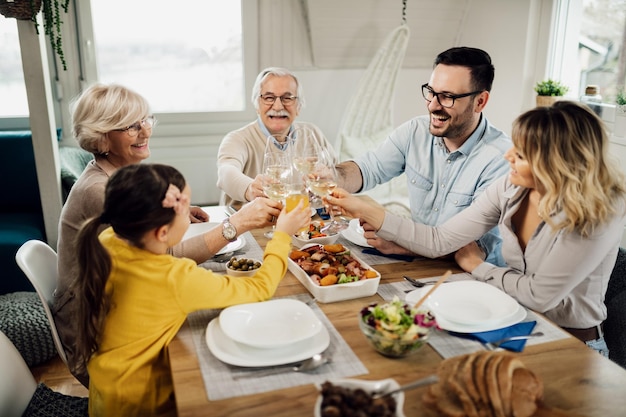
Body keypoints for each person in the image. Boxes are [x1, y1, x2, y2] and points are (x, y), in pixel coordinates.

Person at [328, 101, 626, 354]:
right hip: (510, 324)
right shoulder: (512, 187)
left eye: (520, 154)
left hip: (571, 345)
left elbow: (538, 295)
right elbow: (439, 239)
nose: (508, 156)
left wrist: (476, 265)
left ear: (556, 163)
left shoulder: (598, 212)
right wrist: (372, 212)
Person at [54, 83, 281, 386]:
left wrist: (176, 212)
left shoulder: (117, 176)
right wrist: (235, 224)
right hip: (97, 338)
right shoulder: (100, 191)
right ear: (102, 138)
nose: (145, 131)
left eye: (145, 119)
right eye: (131, 127)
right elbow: (165, 258)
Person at [73, 163, 310, 416]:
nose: (191, 213)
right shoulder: (173, 278)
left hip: (108, 394)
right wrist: (283, 235)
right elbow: (259, 288)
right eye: (186, 209)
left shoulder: (109, 239)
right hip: (142, 405)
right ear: (162, 232)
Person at [335, 47, 511, 265]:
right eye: (431, 91)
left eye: (447, 97)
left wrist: (401, 246)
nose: (432, 105)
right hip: (419, 264)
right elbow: (368, 169)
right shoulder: (415, 131)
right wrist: (334, 177)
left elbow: (470, 249)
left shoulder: (500, 160)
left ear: (480, 102)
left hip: (468, 276)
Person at [217, 66, 337, 207]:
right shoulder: (237, 139)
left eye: (287, 98)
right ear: (257, 105)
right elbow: (226, 173)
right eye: (269, 98)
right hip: (248, 225)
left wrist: (325, 177)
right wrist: (250, 188)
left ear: (298, 106)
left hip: (301, 221)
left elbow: (335, 173)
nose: (278, 106)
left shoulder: (312, 133)